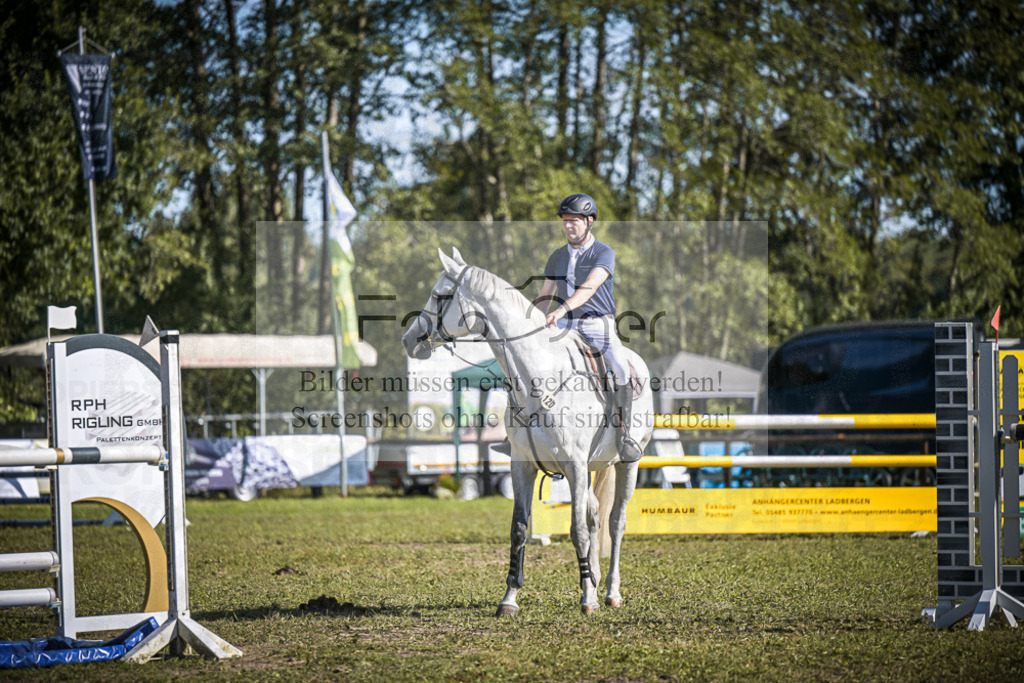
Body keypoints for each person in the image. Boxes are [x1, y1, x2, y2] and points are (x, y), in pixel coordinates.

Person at [494, 193, 642, 462]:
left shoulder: (604, 252)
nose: (568, 226)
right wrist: (529, 325)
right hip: (562, 323)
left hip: (597, 322)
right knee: (526, 360)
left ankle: (625, 435)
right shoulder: (557, 256)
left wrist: (562, 309)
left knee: (620, 365)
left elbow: (589, 288)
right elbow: (545, 295)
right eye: (564, 221)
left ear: (589, 222)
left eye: (574, 221)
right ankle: (515, 434)